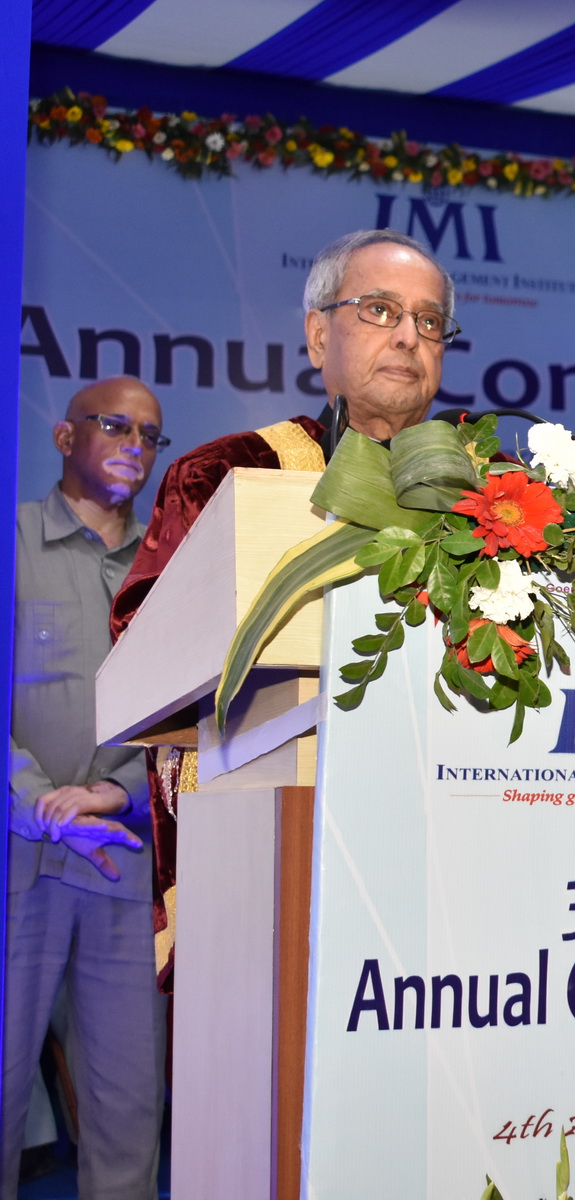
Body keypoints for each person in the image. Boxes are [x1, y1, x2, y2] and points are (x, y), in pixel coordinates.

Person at [110, 228, 459, 988]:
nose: (409, 335)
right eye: (380, 309)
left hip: (459, 868)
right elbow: (147, 653)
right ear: (316, 335)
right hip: (273, 868)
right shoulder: (228, 474)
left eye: (430, 321)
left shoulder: (493, 491)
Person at [7, 379, 167, 1199]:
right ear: (66, 438)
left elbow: (184, 716)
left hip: (121, 859)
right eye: (115, 425)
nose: (135, 443)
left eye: (150, 433)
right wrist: (37, 802)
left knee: (128, 1098)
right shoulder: (14, 541)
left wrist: (115, 794)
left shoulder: (164, 569)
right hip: (20, 862)